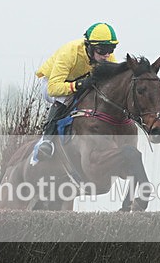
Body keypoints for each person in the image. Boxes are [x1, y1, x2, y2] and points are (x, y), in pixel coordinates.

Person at [32, 22, 119, 161]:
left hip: (79, 82)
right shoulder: (69, 53)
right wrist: (78, 85)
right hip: (52, 83)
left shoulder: (108, 58)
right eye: (102, 50)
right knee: (65, 98)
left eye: (111, 49)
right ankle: (47, 140)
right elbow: (53, 88)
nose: (106, 55)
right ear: (89, 47)